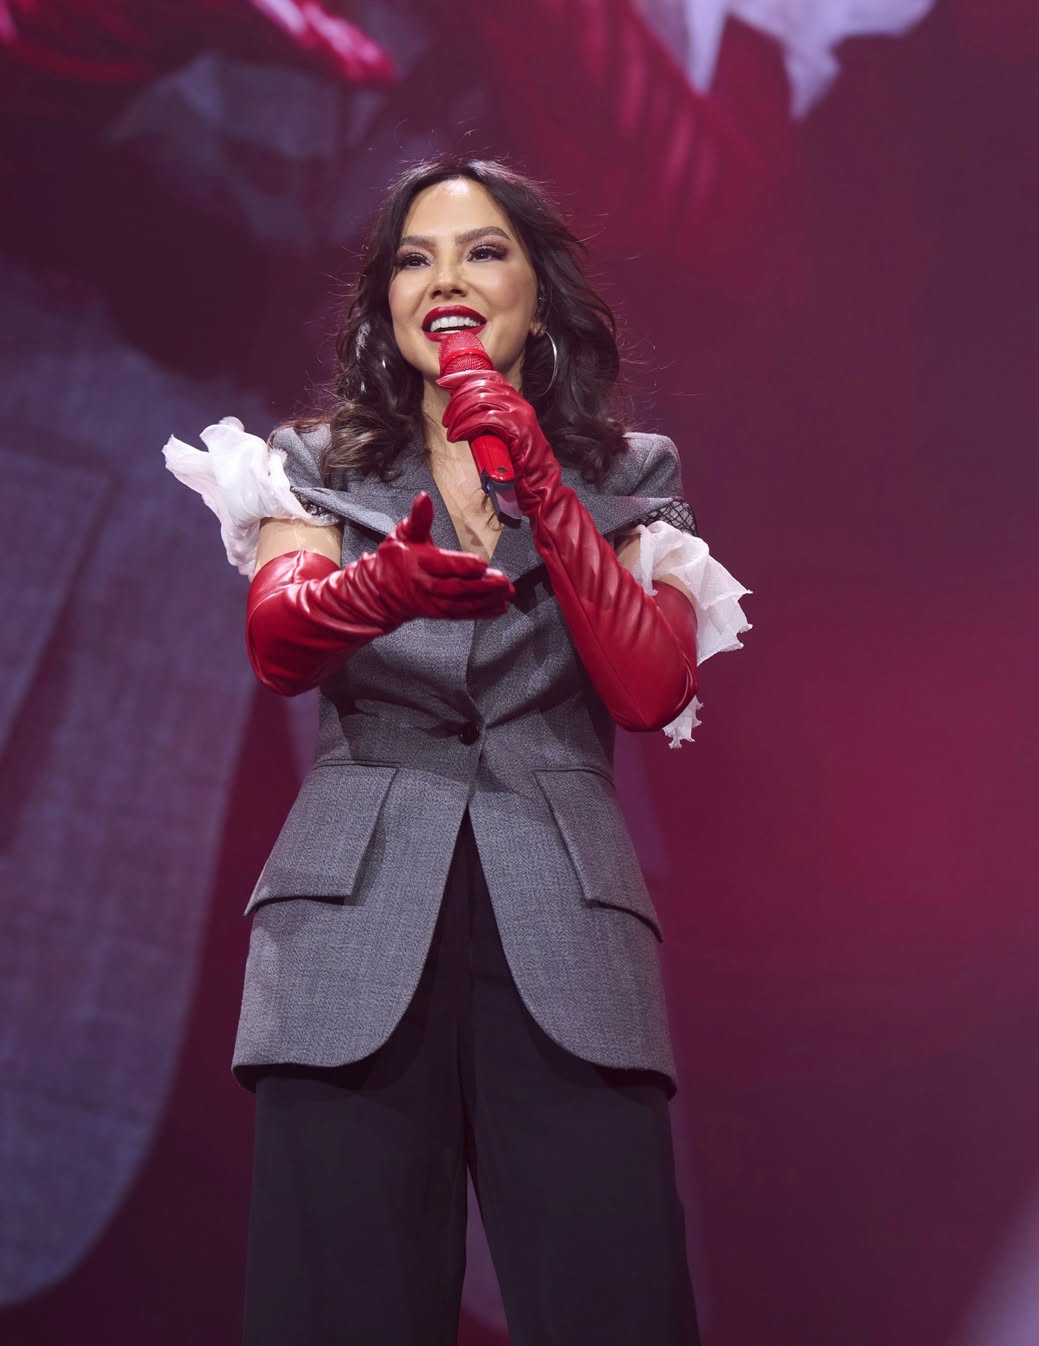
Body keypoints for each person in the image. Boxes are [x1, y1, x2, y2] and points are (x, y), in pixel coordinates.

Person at [164, 155, 751, 1346]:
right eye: (413, 259)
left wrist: (541, 479)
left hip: (566, 935)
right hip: (349, 932)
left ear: (540, 289)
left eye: (483, 250)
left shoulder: (635, 475)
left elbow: (650, 686)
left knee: (617, 1308)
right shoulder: (311, 464)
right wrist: (376, 586)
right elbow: (278, 642)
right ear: (384, 299)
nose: (446, 280)